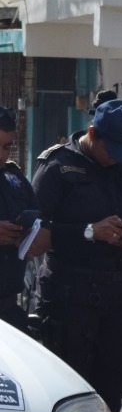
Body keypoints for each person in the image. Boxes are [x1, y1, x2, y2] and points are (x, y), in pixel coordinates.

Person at [31, 98, 122, 412]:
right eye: (112, 150)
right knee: (67, 394)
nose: (118, 159)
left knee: (112, 391)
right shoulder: (57, 167)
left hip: (121, 295)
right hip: (70, 297)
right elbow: (31, 238)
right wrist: (90, 232)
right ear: (93, 133)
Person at [0, 107, 48, 330]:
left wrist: (29, 237)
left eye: (6, 147)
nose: (1, 154)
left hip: (9, 310)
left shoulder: (13, 177)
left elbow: (42, 224)